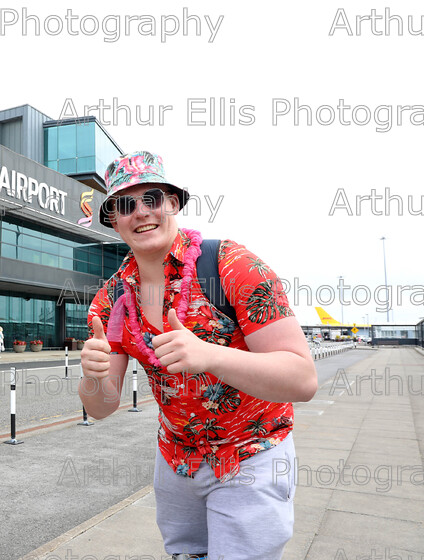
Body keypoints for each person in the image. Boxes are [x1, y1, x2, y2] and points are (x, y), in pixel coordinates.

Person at [79, 151, 317, 560]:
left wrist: (209, 355)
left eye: (151, 198)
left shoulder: (232, 265)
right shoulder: (112, 299)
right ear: (113, 220)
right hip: (175, 463)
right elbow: (102, 408)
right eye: (124, 204)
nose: (140, 212)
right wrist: (94, 376)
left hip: (250, 455)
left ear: (173, 203)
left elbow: (302, 379)